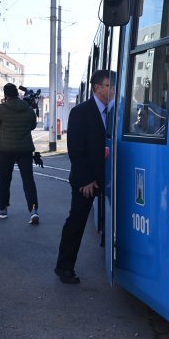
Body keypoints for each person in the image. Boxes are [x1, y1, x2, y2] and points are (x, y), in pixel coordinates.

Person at [55, 70, 115, 284]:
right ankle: (64, 267)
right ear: (97, 88)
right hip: (87, 179)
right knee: (76, 222)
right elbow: (75, 150)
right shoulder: (81, 112)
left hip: (110, 176)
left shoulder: (116, 111)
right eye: (109, 85)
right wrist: (86, 180)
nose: (113, 89)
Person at [0, 83, 39, 223]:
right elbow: (33, 125)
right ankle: (33, 210)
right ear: (17, 93)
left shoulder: (2, 109)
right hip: (25, 150)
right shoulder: (28, 109)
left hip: (6, 150)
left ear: (5, 95)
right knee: (28, 180)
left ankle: (3, 209)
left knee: (4, 180)